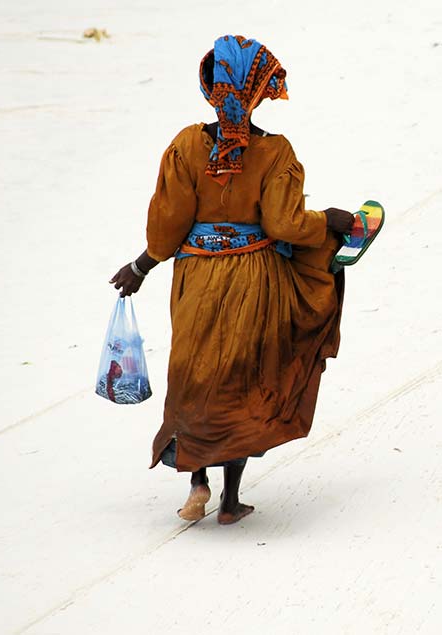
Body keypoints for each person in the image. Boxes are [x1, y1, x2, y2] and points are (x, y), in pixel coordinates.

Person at [110, 35, 355, 525]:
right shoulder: (275, 152)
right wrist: (327, 220)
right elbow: (284, 226)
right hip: (253, 280)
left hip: (197, 279)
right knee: (242, 378)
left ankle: (195, 484)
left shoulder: (184, 146)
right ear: (259, 88)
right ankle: (229, 500)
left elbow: (167, 226)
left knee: (195, 373)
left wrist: (140, 267)